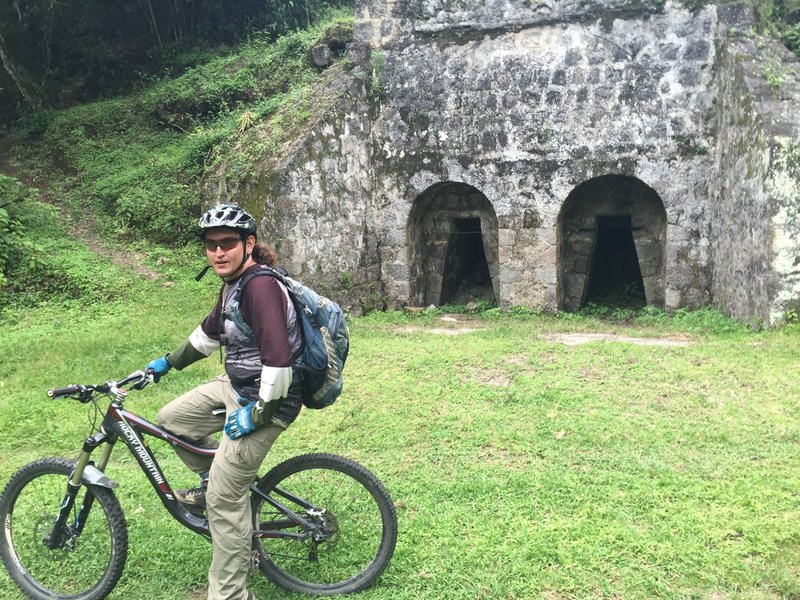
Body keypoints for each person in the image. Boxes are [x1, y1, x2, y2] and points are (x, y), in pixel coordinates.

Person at [145, 203, 303, 600]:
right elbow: (206, 337)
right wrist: (165, 364)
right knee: (171, 419)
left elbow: (280, 364)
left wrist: (257, 414)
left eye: (227, 243)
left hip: (271, 399)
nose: (218, 252)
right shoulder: (233, 285)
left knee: (223, 499)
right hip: (237, 387)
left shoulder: (260, 287)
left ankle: (230, 594)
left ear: (248, 244)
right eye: (210, 244)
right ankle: (218, 477)